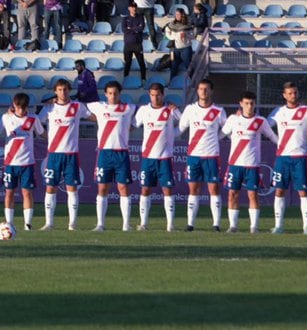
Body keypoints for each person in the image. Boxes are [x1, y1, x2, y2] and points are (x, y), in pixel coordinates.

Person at [221, 91, 278, 234]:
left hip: (252, 165)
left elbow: (272, 137)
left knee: (253, 195)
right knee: (232, 194)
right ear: (241, 104)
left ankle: (254, 227)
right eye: (246, 103)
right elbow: (222, 134)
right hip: (235, 164)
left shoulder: (260, 121)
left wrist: (284, 147)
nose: (249, 106)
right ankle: (233, 226)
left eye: (252, 103)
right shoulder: (233, 119)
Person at [39, 78, 91, 231]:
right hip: (54, 154)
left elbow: (93, 117)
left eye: (65, 89)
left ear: (70, 90)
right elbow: (35, 124)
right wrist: (47, 137)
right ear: (55, 91)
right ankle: (49, 223)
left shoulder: (77, 106)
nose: (63, 92)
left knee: (72, 189)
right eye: (60, 90)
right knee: (50, 188)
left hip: (71, 154)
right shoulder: (49, 109)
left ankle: (72, 224)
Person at [87, 81, 137, 232]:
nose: (112, 96)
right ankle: (100, 224)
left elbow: (146, 114)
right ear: (105, 94)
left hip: (121, 152)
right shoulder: (99, 107)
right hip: (104, 153)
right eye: (110, 93)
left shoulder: (128, 108)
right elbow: (79, 108)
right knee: (103, 188)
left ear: (120, 94)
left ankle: (126, 224)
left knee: (123, 187)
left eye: (115, 93)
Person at [178, 78, 226, 231]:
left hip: (211, 156)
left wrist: (214, 140)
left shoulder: (219, 111)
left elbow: (226, 130)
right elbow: (180, 129)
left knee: (214, 189)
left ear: (211, 91)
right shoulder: (190, 109)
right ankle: (190, 224)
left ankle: (216, 224)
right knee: (193, 189)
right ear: (197, 91)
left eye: (206, 89)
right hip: (194, 155)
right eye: (200, 89)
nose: (203, 92)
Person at [267, 82, 307, 235]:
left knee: (303, 192)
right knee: (279, 190)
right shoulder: (278, 112)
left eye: (295, 92)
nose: (293, 95)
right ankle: (278, 226)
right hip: (282, 157)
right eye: (290, 93)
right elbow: (264, 127)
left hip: (300, 157)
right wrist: (277, 141)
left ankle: (306, 227)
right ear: (284, 95)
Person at [133, 82, 180, 232]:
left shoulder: (170, 110)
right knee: (145, 190)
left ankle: (170, 225)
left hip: (165, 157)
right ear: (149, 95)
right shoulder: (144, 110)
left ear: (163, 94)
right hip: (148, 157)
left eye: (158, 95)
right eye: (152, 95)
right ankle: (144, 223)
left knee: (167, 190)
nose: (155, 98)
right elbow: (133, 125)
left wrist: (174, 134)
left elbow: (185, 123)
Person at [0, 92, 43, 231]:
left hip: (27, 162)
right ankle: (9, 223)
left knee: (26, 192)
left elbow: (42, 133)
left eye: (24, 107)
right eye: (19, 107)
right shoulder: (6, 118)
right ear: (14, 105)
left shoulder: (33, 118)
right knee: (9, 192)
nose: (21, 110)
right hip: (10, 162)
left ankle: (28, 224)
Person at [164, 8, 194, 77]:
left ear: (182, 15)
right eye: (176, 14)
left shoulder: (188, 24)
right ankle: (172, 81)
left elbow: (193, 36)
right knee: (173, 65)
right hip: (175, 48)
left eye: (178, 14)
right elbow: (167, 32)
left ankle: (192, 81)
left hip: (185, 48)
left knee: (188, 65)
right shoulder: (172, 24)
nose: (177, 16)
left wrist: (186, 35)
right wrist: (173, 37)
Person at [121, 2, 147, 83]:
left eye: (135, 7)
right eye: (132, 7)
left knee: (141, 63)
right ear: (129, 8)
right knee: (127, 63)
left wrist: (131, 29)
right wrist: (135, 29)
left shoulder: (140, 18)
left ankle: (143, 79)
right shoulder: (125, 19)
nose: (134, 8)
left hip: (137, 44)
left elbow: (141, 28)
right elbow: (124, 30)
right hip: (128, 45)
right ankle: (126, 79)